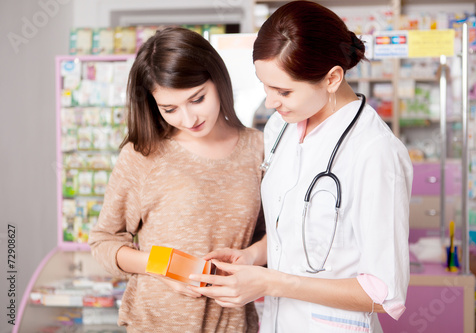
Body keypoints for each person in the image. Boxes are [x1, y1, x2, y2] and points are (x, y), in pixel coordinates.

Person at [189, 2, 413, 332]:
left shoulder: (375, 152)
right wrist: (252, 257)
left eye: (284, 91)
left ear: (333, 78)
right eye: (265, 86)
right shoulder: (281, 128)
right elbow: (299, 226)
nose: (270, 102)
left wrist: (271, 283)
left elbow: (383, 293)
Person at [88, 26, 264, 333]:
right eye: (169, 108)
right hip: (153, 323)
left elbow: (280, 238)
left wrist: (250, 257)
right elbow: (103, 242)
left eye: (198, 99)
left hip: (233, 324)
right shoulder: (143, 154)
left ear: (217, 80)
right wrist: (163, 266)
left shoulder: (259, 148)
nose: (188, 119)